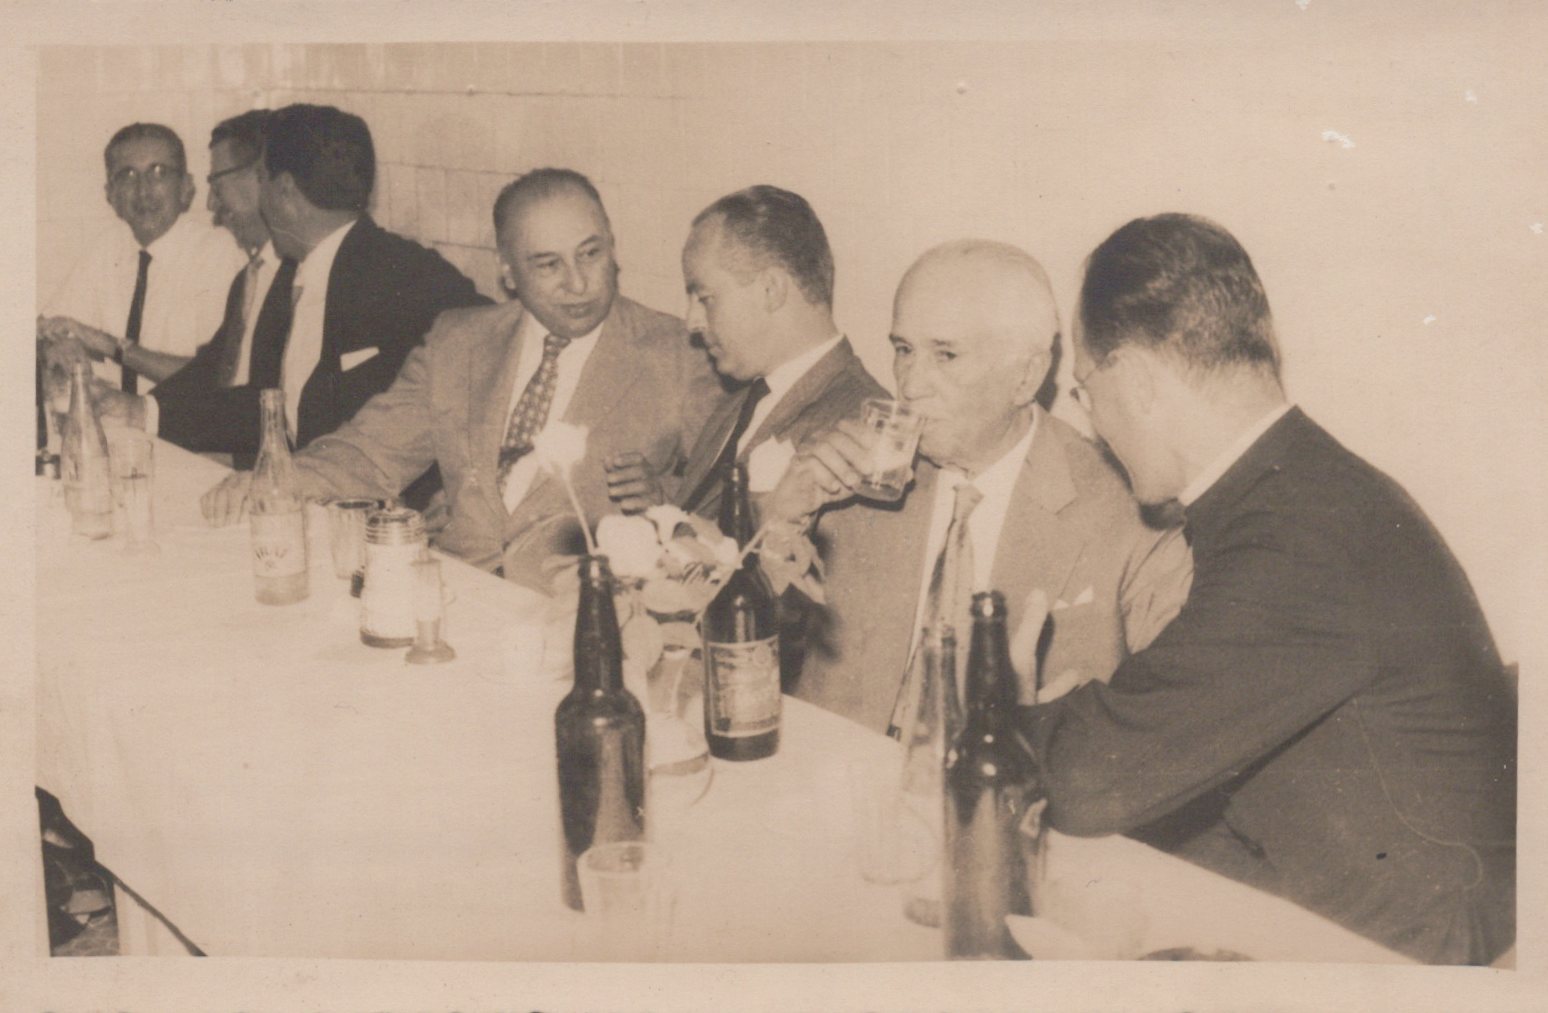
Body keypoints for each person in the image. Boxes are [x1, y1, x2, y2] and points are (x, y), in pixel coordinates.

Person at [1021, 213, 1516, 964]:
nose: (1093, 426)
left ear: (1139, 381)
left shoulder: (1295, 535)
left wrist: (1010, 707)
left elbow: (1088, 781)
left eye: (1086, 391)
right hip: (1332, 884)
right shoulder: (1299, 486)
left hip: (1414, 954)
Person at [200, 168, 726, 589]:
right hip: (460, 597)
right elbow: (371, 451)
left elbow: (727, 506)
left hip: (587, 618)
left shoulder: (679, 354)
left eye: (591, 253)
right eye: (548, 265)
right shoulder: (458, 341)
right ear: (507, 272)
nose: (578, 283)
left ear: (613, 246)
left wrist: (663, 500)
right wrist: (278, 479)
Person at [766, 239, 1192, 734]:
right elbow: (756, 649)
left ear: (1026, 376)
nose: (909, 385)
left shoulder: (1130, 511)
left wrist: (1046, 732)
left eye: (945, 355)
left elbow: (1182, 711)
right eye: (904, 350)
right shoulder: (855, 471)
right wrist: (778, 525)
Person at [89, 104, 486, 475]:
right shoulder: (290, 277)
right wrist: (142, 412)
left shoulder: (402, 272)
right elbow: (267, 404)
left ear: (285, 192)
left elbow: (492, 341)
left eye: (261, 179)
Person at [673, 185, 886, 519]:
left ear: (771, 290)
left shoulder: (860, 428)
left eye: (705, 299)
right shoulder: (739, 402)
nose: (692, 321)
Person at [38, 122, 246, 391]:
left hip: (186, 418)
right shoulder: (106, 247)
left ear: (186, 187)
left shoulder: (217, 252)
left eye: (159, 173)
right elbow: (46, 327)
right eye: (127, 175)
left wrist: (109, 345)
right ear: (110, 194)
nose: (143, 190)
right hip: (114, 416)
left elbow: (213, 377)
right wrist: (55, 343)